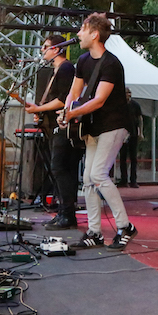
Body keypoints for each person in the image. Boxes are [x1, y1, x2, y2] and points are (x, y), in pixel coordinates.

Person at [62, 13, 137, 250]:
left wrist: (73, 114)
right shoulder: (83, 60)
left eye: (82, 29)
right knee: (87, 179)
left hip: (114, 124)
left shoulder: (112, 64)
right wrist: (66, 111)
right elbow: (74, 93)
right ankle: (94, 232)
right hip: (94, 126)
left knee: (98, 175)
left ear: (94, 34)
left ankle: (125, 226)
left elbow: (99, 100)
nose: (78, 34)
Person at [26, 35, 81, 229]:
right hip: (53, 125)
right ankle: (63, 212)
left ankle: (67, 213)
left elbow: (62, 99)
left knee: (60, 167)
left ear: (57, 49)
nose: (43, 50)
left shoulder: (66, 68)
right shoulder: (55, 70)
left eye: (46, 47)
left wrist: (38, 110)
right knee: (57, 168)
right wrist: (40, 112)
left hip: (63, 127)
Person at [117, 88, 143, 188]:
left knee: (133, 158)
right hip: (122, 134)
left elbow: (140, 119)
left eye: (129, 93)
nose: (128, 95)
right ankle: (124, 179)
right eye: (126, 93)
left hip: (133, 133)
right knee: (122, 157)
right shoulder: (120, 105)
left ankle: (133, 180)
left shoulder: (135, 105)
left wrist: (140, 132)